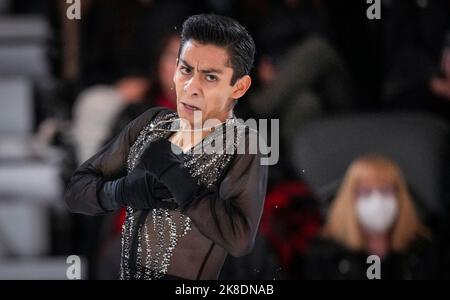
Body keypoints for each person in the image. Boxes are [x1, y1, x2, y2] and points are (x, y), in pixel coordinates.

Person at [65, 14, 268, 280]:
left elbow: (240, 237)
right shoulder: (144, 119)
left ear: (237, 87)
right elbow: (78, 190)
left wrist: (180, 184)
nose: (191, 84)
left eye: (209, 75)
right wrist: (122, 190)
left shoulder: (243, 138)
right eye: (184, 68)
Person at [303, 154, 449, 279]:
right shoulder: (323, 255)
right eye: (365, 192)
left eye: (386, 191)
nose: (377, 202)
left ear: (400, 198)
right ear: (349, 200)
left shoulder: (425, 249)